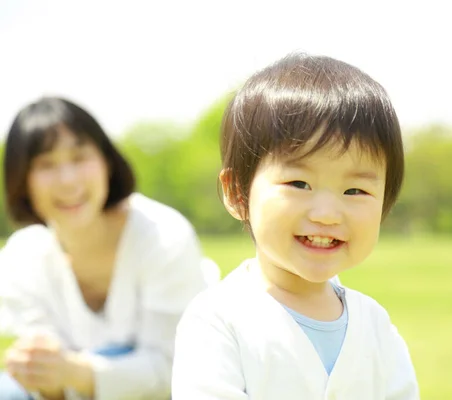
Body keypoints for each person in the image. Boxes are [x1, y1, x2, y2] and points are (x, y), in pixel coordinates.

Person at [172, 53, 419, 399]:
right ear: (237, 193)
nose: (327, 214)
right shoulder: (218, 321)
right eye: (299, 184)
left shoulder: (374, 325)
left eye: (355, 190)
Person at [0, 96, 217, 399]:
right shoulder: (21, 256)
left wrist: (74, 372)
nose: (68, 180)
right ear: (22, 181)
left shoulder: (162, 235)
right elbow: (51, 388)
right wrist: (41, 372)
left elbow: (180, 372)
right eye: (45, 164)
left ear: (107, 163)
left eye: (79, 158)